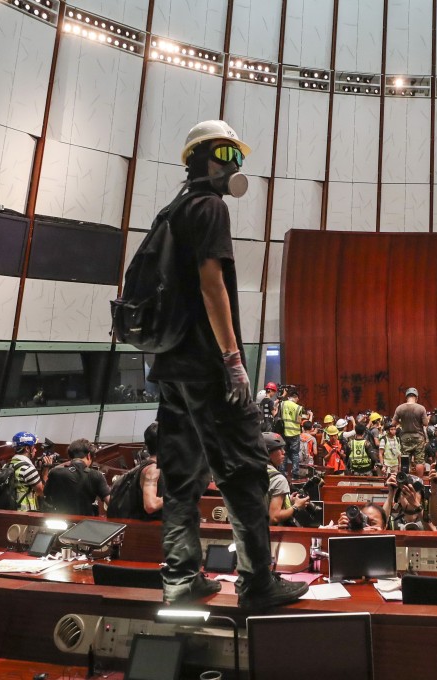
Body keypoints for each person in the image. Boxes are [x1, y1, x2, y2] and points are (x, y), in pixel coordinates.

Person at [147, 120, 306, 608]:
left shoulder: (170, 211)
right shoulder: (209, 207)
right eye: (225, 154)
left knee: (181, 479)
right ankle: (257, 582)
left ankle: (180, 580)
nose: (234, 166)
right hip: (206, 367)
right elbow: (211, 284)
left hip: (171, 368)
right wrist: (234, 359)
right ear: (198, 158)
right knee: (243, 473)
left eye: (239, 156)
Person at [43, 439, 111, 516]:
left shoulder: (55, 472)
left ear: (70, 456)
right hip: (86, 523)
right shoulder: (96, 475)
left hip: (59, 520)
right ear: (89, 456)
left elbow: (46, 493)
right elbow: (110, 502)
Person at [263, 433, 310, 526]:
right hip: (271, 536)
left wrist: (287, 501)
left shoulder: (251, 473)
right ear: (267, 453)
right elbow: (274, 517)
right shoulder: (278, 480)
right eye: (279, 449)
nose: (283, 452)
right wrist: (296, 506)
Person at [394, 387, 429, 475]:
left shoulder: (400, 408)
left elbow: (393, 423)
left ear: (406, 397)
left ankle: (405, 480)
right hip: (418, 437)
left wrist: (402, 422)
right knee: (419, 461)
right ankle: (419, 481)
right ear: (416, 398)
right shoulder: (421, 408)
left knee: (405, 459)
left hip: (405, 437)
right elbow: (425, 423)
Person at [279, 388, 305, 478]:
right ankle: (295, 473)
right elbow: (298, 421)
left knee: (284, 452)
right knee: (295, 453)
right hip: (294, 433)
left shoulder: (282, 404)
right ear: (295, 397)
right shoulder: (298, 407)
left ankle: (283, 471)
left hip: (284, 432)